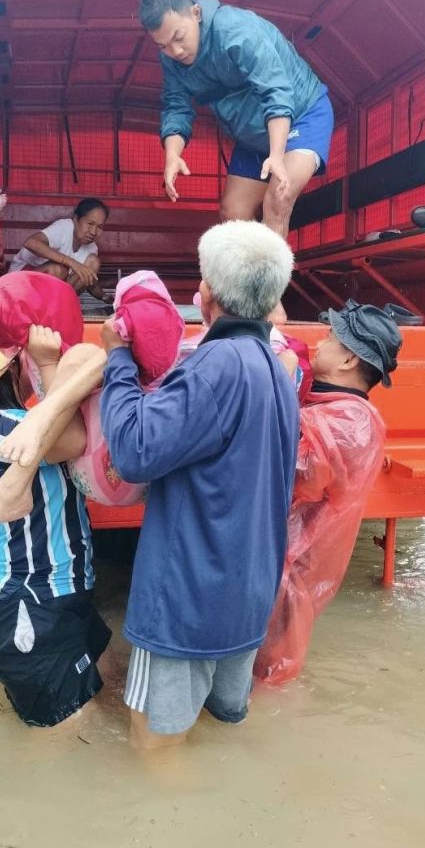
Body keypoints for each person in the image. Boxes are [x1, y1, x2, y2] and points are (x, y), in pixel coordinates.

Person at [99, 220, 300, 747]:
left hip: (187, 599)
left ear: (205, 294)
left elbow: (135, 451)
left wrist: (117, 359)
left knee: (155, 744)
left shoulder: (215, 366)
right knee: (217, 733)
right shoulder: (276, 368)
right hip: (246, 593)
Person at [0, 291, 111, 728]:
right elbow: (73, 439)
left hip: (54, 598)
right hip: (30, 602)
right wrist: (50, 364)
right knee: (67, 733)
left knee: (92, 700)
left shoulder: (23, 420)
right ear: (15, 367)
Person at [254, 302, 402, 686]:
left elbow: (291, 468)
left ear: (349, 360)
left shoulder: (352, 422)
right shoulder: (334, 407)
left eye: (330, 338)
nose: (319, 345)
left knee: (265, 670)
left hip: (288, 564)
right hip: (276, 557)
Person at [139, 0, 334, 237]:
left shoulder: (235, 30)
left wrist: (277, 155)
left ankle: (271, 266)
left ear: (196, 13)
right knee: (233, 213)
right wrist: (172, 155)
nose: (175, 51)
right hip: (253, 136)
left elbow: (275, 91)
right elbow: (176, 106)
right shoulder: (171, 58)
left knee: (278, 199)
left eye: (178, 37)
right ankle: (248, 266)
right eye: (162, 45)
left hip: (301, 116)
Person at [9, 197, 113, 303]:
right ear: (76, 219)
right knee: (59, 270)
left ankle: (57, 304)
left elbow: (88, 281)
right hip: (20, 284)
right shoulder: (65, 227)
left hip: (50, 293)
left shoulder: (92, 248)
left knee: (93, 262)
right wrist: (71, 262)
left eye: (100, 227)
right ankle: (36, 304)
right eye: (90, 224)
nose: (93, 232)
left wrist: (105, 297)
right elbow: (31, 242)